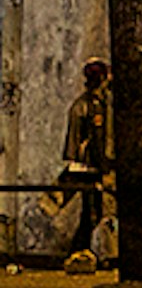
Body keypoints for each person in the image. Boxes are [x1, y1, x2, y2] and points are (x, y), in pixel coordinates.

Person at [55, 56, 113, 270]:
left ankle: (80, 249)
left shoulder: (85, 102)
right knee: (93, 210)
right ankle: (77, 250)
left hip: (81, 164)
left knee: (92, 211)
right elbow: (97, 141)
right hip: (88, 166)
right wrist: (106, 167)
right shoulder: (93, 105)